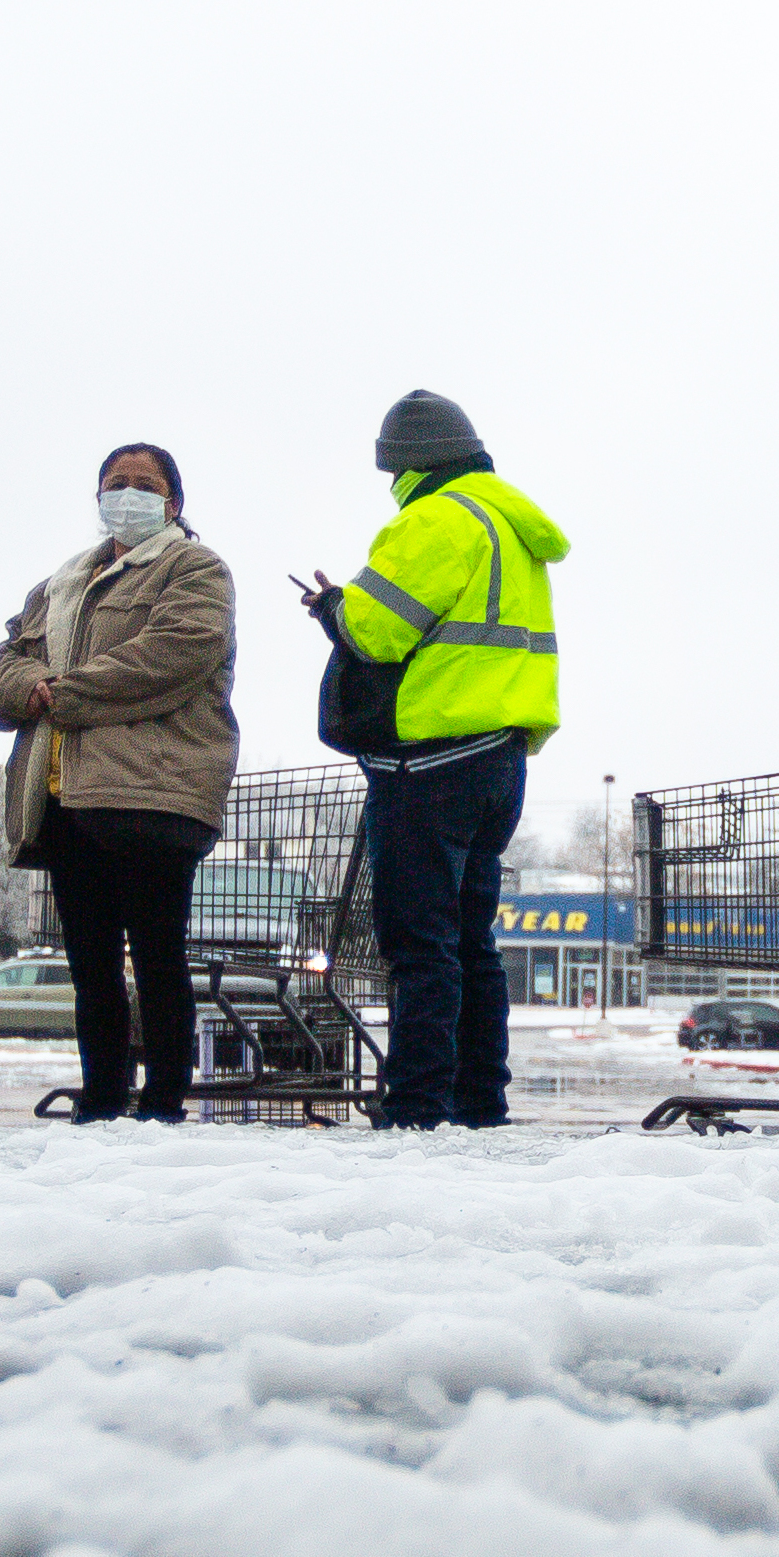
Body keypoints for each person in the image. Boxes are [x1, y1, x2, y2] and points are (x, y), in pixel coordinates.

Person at [296, 389, 564, 1131]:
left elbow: (377, 632)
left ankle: (415, 1107)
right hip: (499, 760)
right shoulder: (507, 525)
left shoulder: (434, 520)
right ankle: (479, 1103)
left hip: (429, 765)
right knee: (471, 945)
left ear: (408, 463)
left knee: (419, 946)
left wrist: (333, 609)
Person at [0, 443, 239, 1122]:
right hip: (66, 794)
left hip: (152, 791)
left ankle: (162, 1101)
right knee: (90, 961)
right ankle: (99, 1098)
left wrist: (57, 692)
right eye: (114, 483)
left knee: (157, 952)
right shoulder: (61, 582)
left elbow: (169, 657)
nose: (126, 495)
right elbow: (6, 665)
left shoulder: (195, 568)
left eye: (143, 484)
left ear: (173, 501)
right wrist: (27, 686)